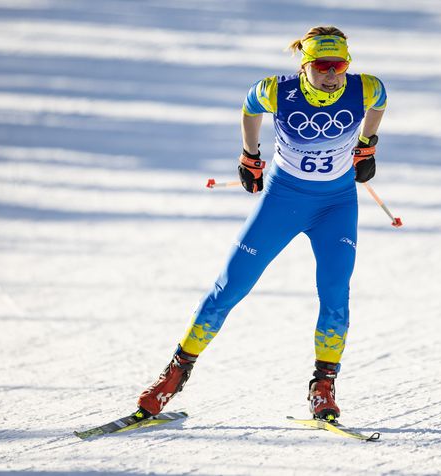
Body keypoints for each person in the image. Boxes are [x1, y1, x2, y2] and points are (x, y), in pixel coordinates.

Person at [135, 26, 387, 422]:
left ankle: (323, 386)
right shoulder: (276, 90)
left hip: (336, 205)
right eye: (323, 65)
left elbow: (381, 101)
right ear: (306, 66)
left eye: (339, 65)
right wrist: (249, 155)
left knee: (335, 293)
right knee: (230, 286)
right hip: (282, 201)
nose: (332, 73)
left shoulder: (365, 88)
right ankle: (175, 374)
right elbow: (250, 107)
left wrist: (368, 145)